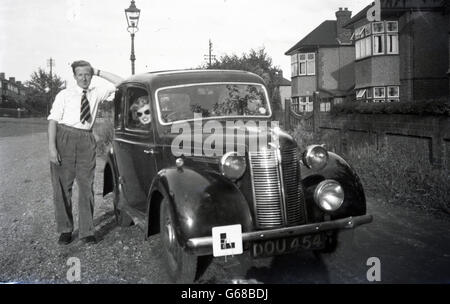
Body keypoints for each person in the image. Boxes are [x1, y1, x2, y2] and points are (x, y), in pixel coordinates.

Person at [48, 60, 123, 245]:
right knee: (62, 188)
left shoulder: (96, 93)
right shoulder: (64, 94)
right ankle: (65, 229)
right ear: (74, 76)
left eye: (87, 74)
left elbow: (121, 82)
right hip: (64, 137)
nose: (84, 78)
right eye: (80, 74)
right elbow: (52, 122)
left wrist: (97, 70)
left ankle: (87, 231)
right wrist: (52, 148)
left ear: (91, 75)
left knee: (86, 186)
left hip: (85, 139)